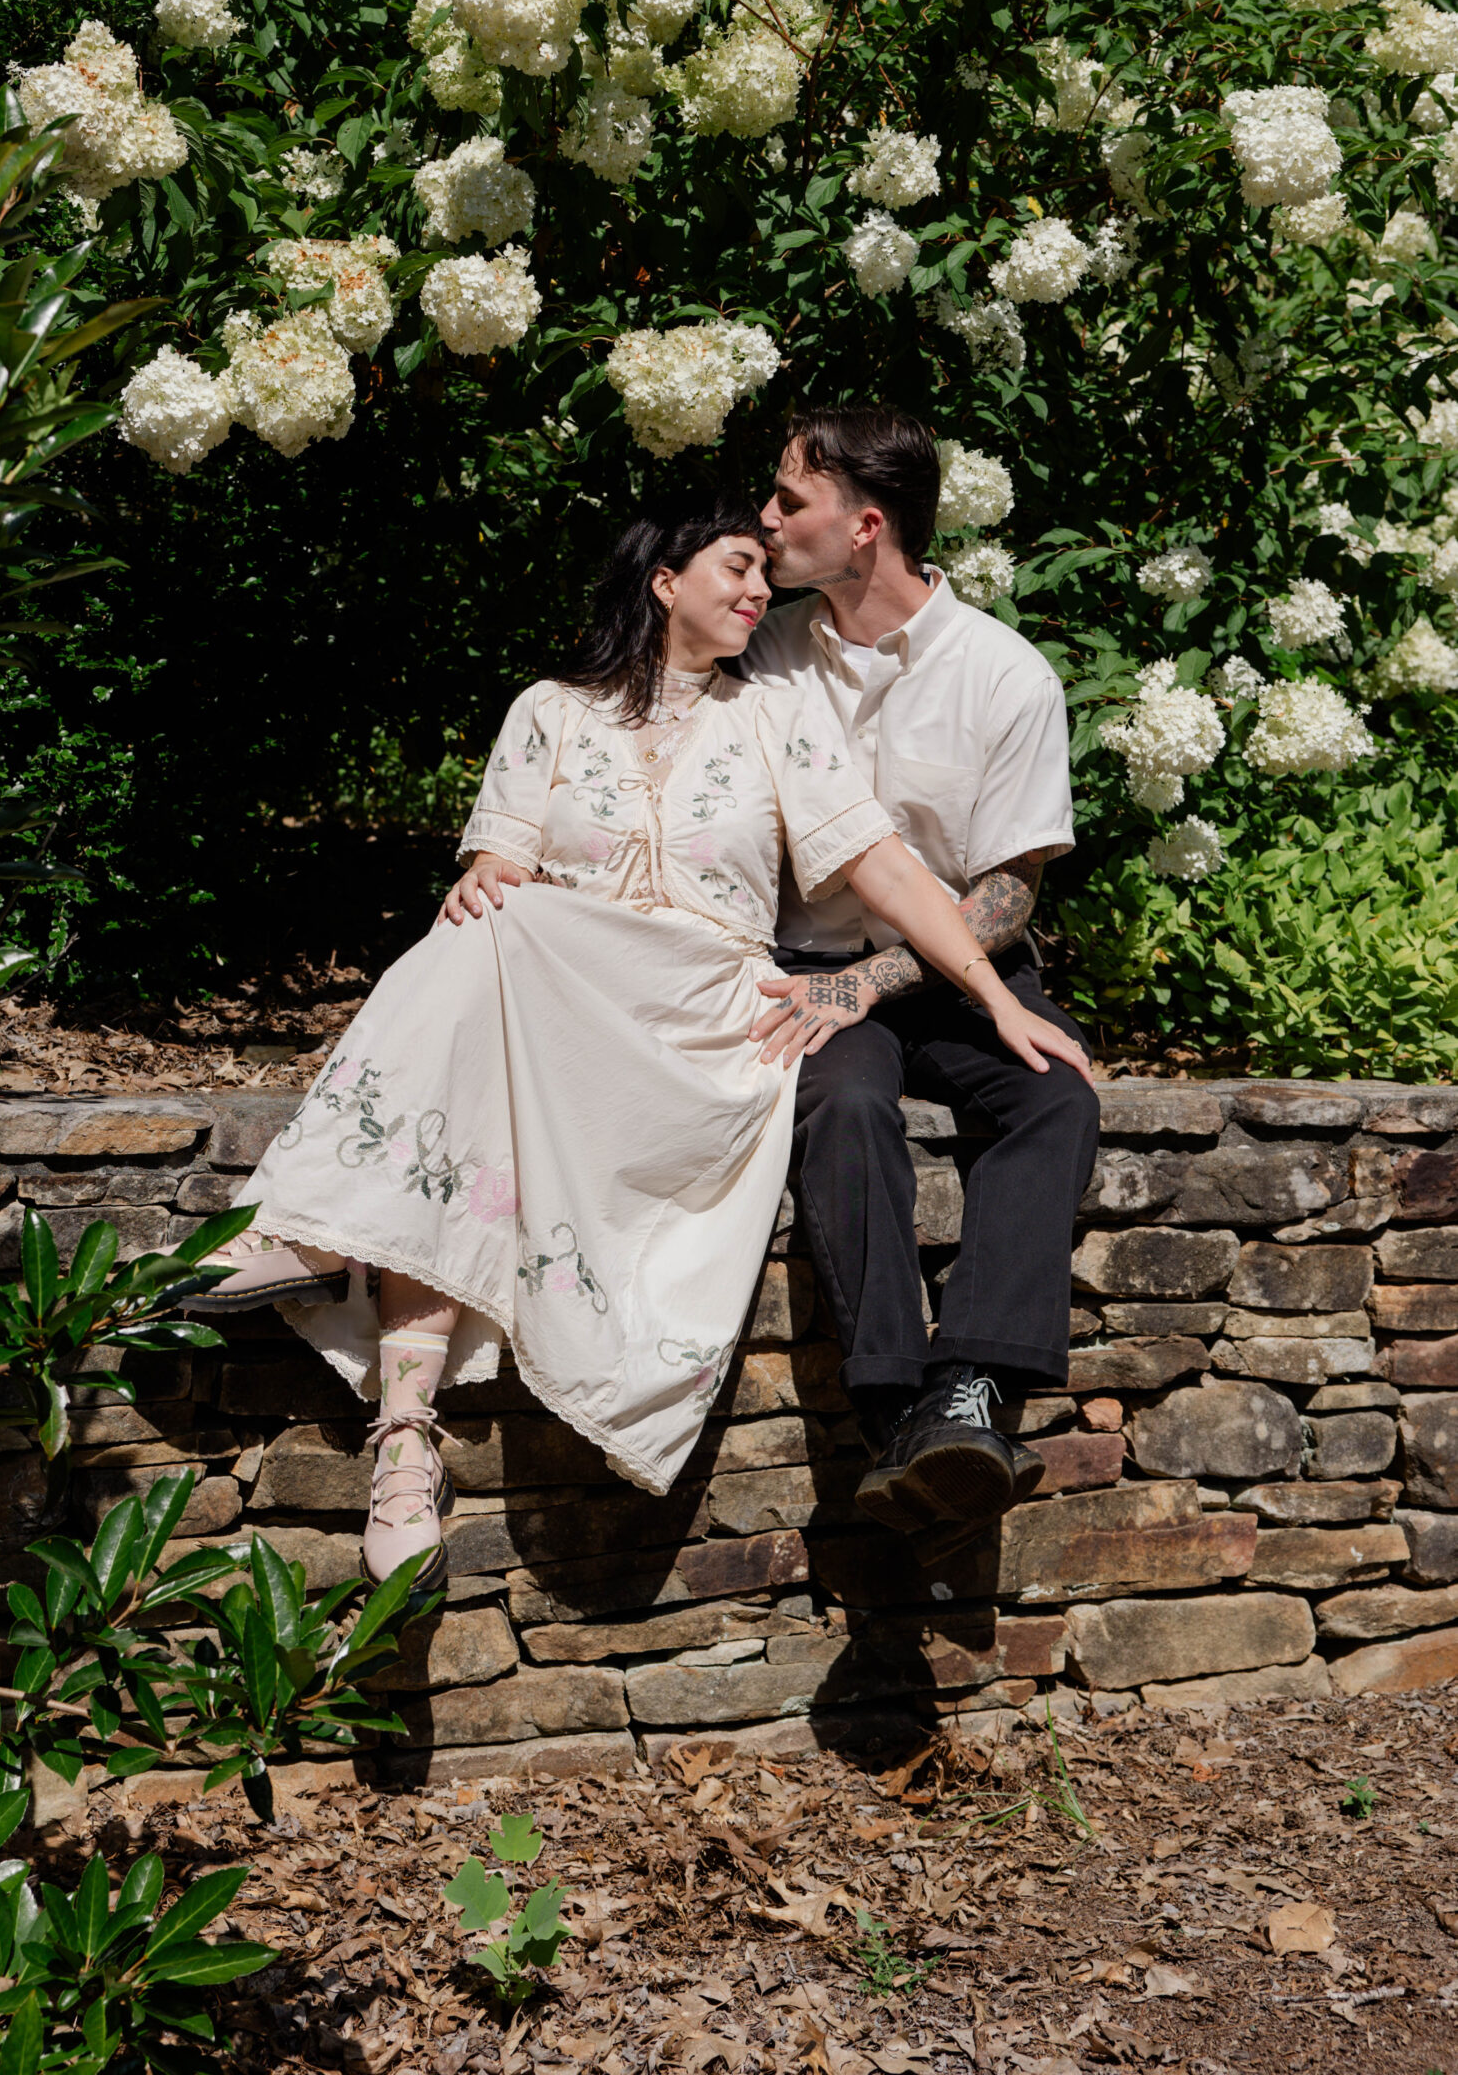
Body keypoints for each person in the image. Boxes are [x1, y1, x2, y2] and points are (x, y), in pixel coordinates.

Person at [186, 497, 1091, 1592]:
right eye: (737, 570)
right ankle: (406, 1449)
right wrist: (480, 880)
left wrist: (995, 994)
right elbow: (496, 876)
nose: (760, 594)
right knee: (480, 958)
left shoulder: (776, 714)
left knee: (495, 963)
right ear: (664, 581)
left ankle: (317, 1231)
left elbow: (887, 870)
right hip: (564, 1011)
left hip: (709, 1020)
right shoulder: (548, 712)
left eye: (766, 573)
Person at [737, 406, 1100, 1544]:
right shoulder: (761, 652)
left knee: (1057, 1096)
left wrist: (880, 981)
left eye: (790, 500)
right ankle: (896, 1407)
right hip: (805, 972)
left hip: (959, 967)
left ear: (866, 526)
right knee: (843, 1104)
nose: (766, 519)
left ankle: (975, 1388)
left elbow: (1007, 893)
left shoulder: (1005, 674)